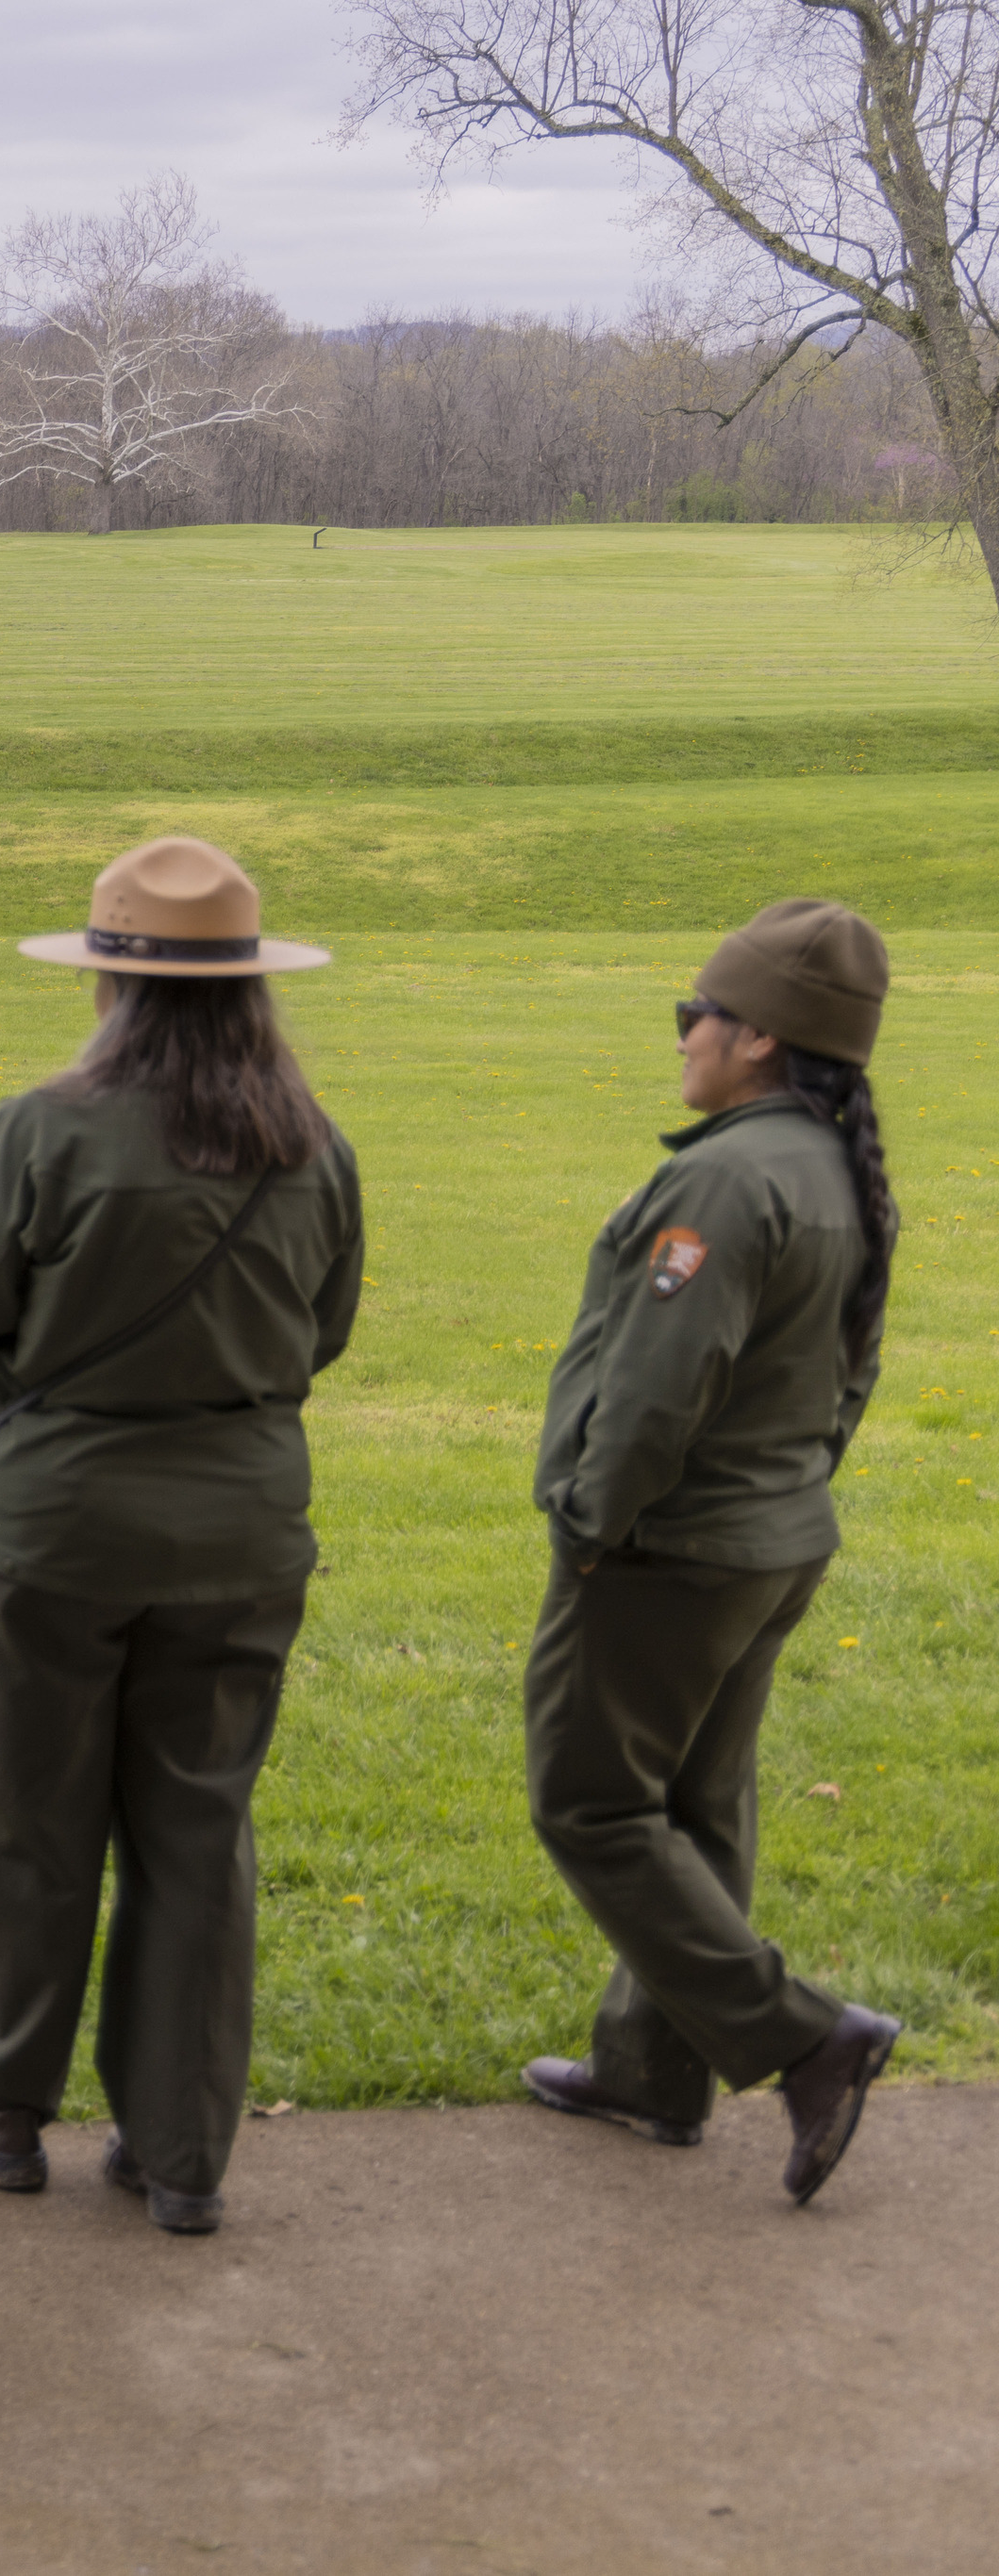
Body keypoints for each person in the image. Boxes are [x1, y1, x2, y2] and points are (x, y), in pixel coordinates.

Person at [0, 839, 363, 2237]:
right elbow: (322, 1332)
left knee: (30, 1817)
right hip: (241, 1525)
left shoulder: (36, 1133)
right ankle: (180, 2149)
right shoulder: (314, 1146)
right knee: (198, 1833)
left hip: (52, 1525)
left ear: (109, 979)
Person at [518, 900, 904, 2204]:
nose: (682, 1035)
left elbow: (657, 1387)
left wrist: (591, 1522)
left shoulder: (731, 1179)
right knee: (695, 1807)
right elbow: (850, 1376)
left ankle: (805, 2039)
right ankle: (651, 2073)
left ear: (759, 1040)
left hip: (672, 1551)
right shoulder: (827, 1166)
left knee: (589, 1802)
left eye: (695, 1013)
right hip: (774, 1538)